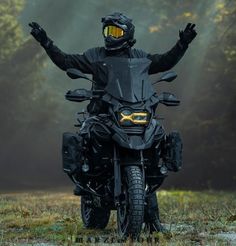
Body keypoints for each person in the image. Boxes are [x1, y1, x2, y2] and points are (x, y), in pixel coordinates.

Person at [29, 12, 197, 233]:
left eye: (115, 31)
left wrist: (182, 43)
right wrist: (46, 41)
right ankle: (87, 175)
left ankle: (153, 220)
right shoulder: (96, 55)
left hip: (132, 112)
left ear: (127, 34)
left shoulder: (139, 56)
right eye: (107, 31)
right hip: (103, 113)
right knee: (89, 134)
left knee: (152, 153)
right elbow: (66, 61)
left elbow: (165, 61)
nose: (110, 36)